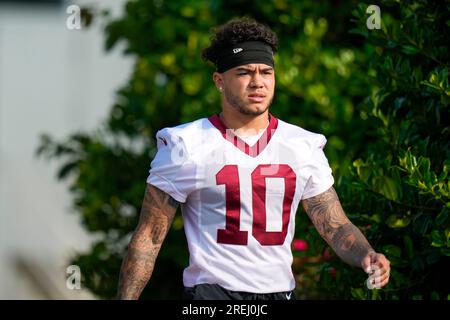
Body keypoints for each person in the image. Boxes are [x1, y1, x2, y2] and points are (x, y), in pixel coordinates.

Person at [116, 17, 390, 300]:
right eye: (244, 72)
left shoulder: (302, 145)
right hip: (212, 295)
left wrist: (366, 255)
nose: (257, 82)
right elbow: (149, 236)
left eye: (266, 72)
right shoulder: (186, 144)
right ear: (219, 81)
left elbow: (334, 225)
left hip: (279, 294)